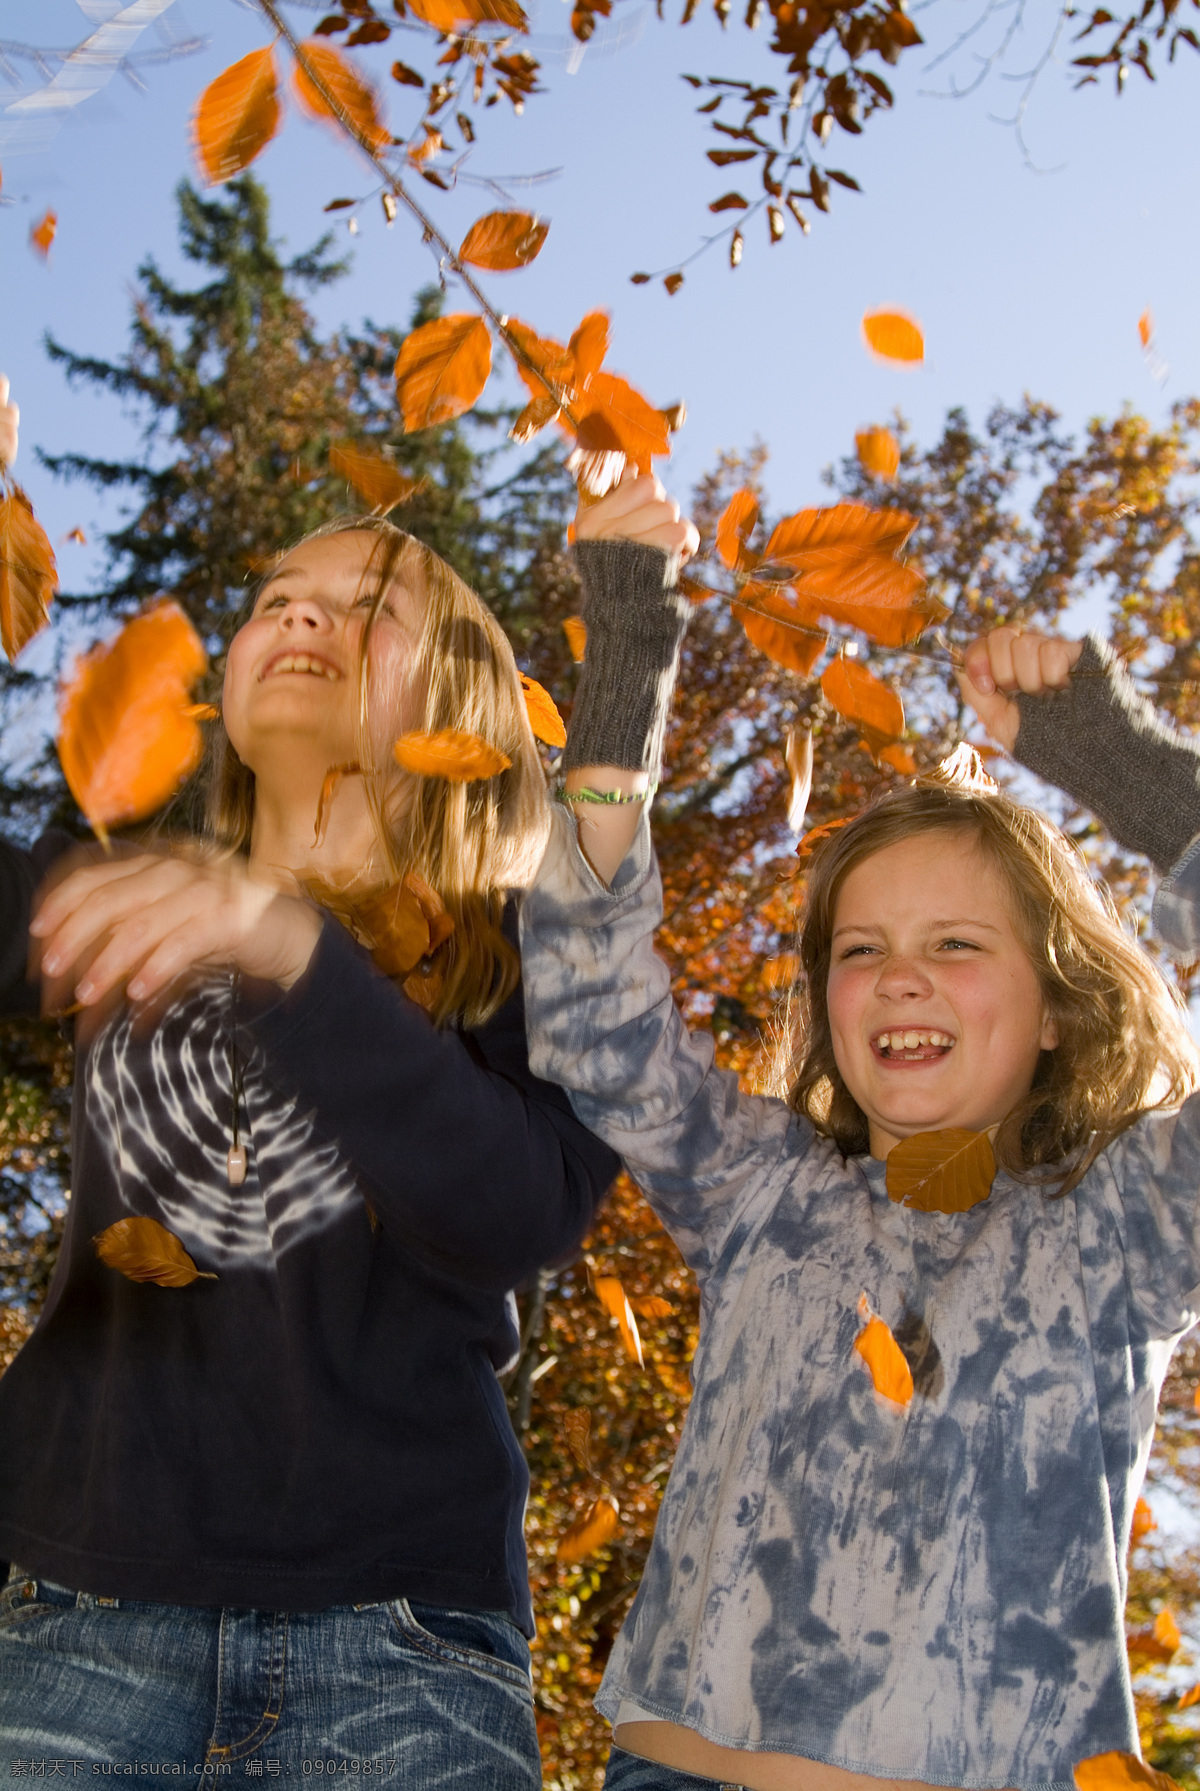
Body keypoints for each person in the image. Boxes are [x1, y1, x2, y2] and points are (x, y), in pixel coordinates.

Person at [517, 476, 1200, 1791]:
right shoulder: (762, 1183)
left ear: (1060, 1004)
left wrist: (1124, 766)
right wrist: (627, 657)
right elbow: (593, 1017)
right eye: (863, 948)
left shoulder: (1135, 1224)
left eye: (957, 945)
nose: (901, 978)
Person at [0, 379, 621, 1780]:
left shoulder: (523, 942)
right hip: (71, 1618)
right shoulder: (112, 878)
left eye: (368, 602)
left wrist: (290, 950)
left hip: (405, 1644)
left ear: (459, 693)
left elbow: (521, 1207)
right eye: (281, 594)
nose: (301, 613)